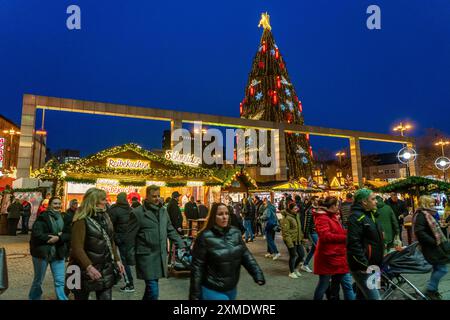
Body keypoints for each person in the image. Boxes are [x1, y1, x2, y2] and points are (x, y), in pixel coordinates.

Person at [189, 203, 265, 300]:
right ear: (213, 217)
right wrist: (194, 295)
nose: (224, 217)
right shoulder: (204, 237)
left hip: (232, 288)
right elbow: (197, 268)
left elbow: (246, 256)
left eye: (226, 213)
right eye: (220, 214)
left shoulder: (235, 233)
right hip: (212, 289)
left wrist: (257, 273)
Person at [125, 185, 186, 300]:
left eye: (158, 196)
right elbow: (129, 237)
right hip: (146, 257)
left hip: (160, 256)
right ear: (146, 197)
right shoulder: (137, 213)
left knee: (150, 290)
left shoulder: (163, 211)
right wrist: (130, 257)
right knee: (153, 290)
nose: (157, 198)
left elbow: (170, 229)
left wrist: (180, 243)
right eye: (154, 196)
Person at [70, 188, 125, 300]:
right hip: (83, 269)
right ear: (94, 201)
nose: (106, 202)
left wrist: (117, 260)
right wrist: (88, 267)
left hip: (105, 267)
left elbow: (110, 240)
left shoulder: (105, 216)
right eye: (103, 199)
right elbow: (77, 248)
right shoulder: (81, 219)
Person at [313, 197, 355, 300]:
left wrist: (349, 233)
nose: (339, 207)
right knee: (323, 284)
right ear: (332, 206)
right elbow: (325, 236)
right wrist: (346, 238)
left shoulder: (331, 216)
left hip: (336, 255)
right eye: (337, 205)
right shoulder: (323, 217)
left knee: (344, 284)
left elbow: (337, 232)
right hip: (328, 256)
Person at [29, 197, 70, 300]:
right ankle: (34, 298)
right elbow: (37, 235)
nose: (57, 206)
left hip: (58, 253)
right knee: (38, 280)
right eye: (55, 203)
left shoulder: (64, 217)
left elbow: (69, 234)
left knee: (60, 281)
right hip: (42, 253)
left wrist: (59, 238)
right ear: (50, 205)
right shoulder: (43, 217)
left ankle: (62, 298)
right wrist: (57, 235)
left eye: (59, 203)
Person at [347, 189, 384, 300]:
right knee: (375, 297)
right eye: (373, 199)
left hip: (374, 265)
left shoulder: (370, 214)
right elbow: (353, 244)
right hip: (365, 267)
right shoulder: (356, 217)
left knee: (363, 296)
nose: (376, 201)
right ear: (364, 201)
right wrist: (364, 264)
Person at [413, 195, 450, 300]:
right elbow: (419, 232)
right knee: (442, 269)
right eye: (431, 203)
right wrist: (433, 241)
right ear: (425, 204)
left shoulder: (428, 214)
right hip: (430, 247)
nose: (434, 204)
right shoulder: (421, 215)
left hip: (434, 246)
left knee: (438, 268)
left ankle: (433, 291)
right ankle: (430, 289)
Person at [107, 192, 135, 293]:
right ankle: (121, 278)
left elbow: (110, 225)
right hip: (128, 238)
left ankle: (129, 283)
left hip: (118, 238)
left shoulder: (115, 210)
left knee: (121, 261)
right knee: (124, 260)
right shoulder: (130, 209)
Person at [280, 202, 305, 277]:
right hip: (291, 240)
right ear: (290, 209)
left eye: (297, 208)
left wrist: (301, 237)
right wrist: (289, 243)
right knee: (293, 255)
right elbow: (285, 232)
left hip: (298, 239)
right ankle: (291, 272)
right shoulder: (286, 218)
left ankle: (295, 269)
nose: (297, 209)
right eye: (295, 208)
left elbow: (299, 228)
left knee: (301, 255)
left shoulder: (296, 215)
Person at [302, 196, 318, 273]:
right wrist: (305, 235)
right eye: (316, 200)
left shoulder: (318, 209)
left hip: (317, 231)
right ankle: (305, 264)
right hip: (313, 232)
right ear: (312, 201)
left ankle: (305, 264)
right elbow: (307, 223)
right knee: (318, 248)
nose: (317, 201)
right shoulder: (310, 210)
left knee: (314, 249)